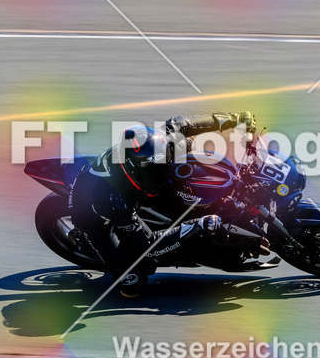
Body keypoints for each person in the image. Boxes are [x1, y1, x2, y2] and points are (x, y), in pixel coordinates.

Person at [68, 112, 265, 298]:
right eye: (153, 172)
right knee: (133, 283)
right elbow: (148, 244)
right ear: (135, 172)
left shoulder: (161, 142)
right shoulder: (113, 200)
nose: (160, 174)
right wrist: (196, 225)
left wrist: (235, 119)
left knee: (186, 146)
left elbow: (187, 123)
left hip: (135, 191)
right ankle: (109, 258)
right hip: (93, 217)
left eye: (163, 164)